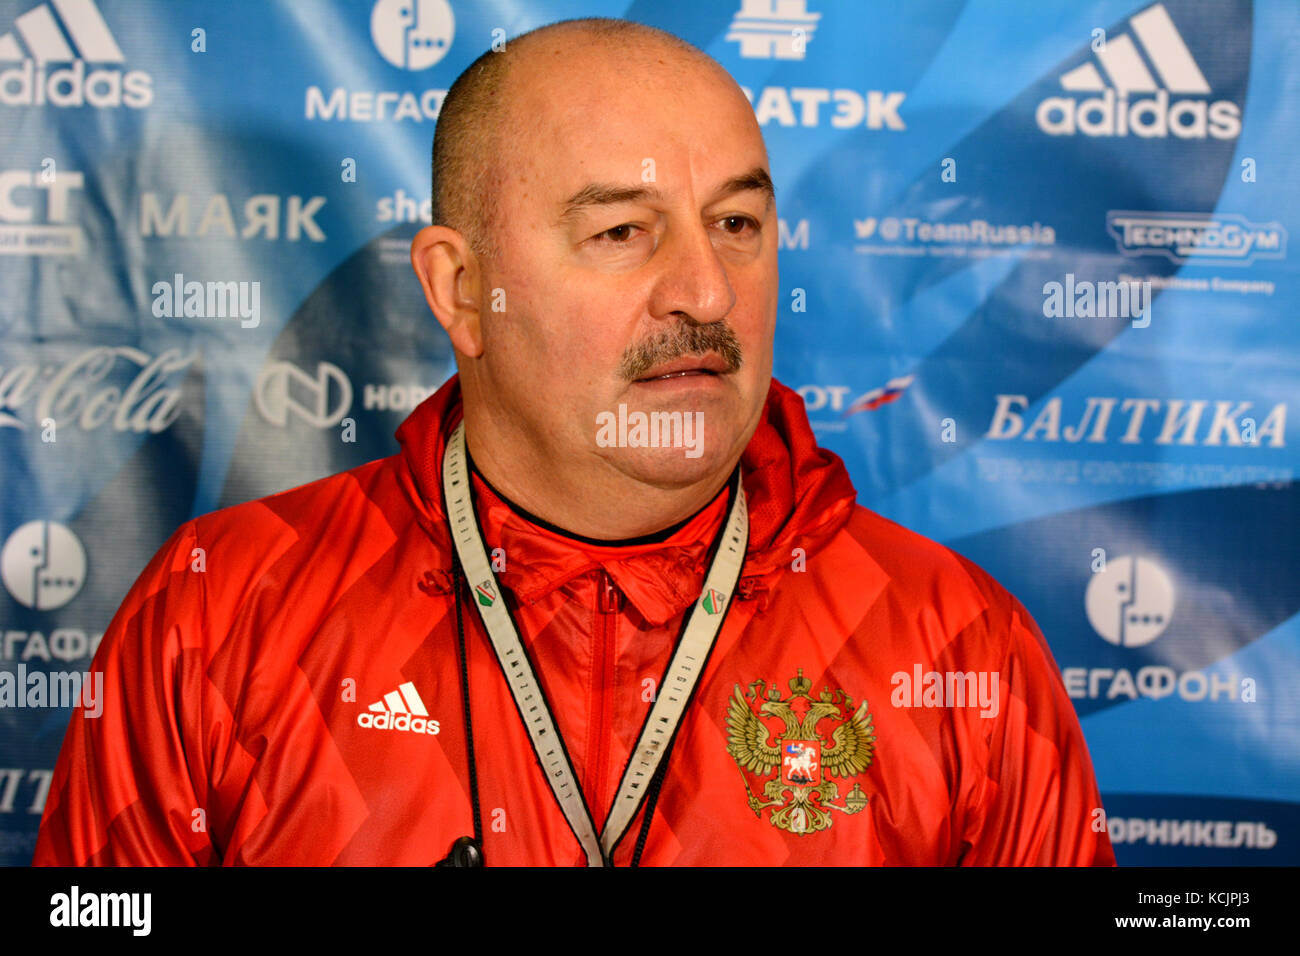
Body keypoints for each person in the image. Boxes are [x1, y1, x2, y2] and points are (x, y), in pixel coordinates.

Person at [34, 17, 1115, 866]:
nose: (703, 290)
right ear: (461, 290)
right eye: (619, 233)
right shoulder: (221, 613)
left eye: (735, 223)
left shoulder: (953, 641)